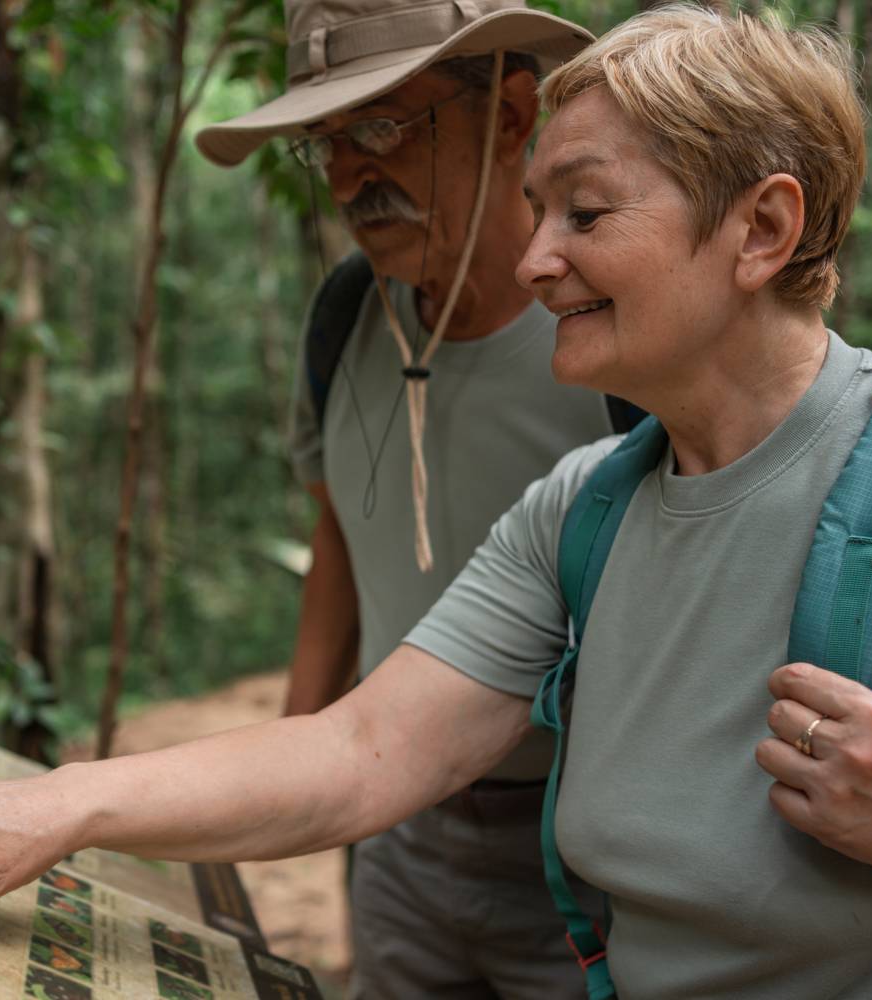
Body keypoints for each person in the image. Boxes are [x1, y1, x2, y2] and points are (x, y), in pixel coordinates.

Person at [0, 8, 872, 998]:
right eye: (539, 209)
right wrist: (52, 806)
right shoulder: (581, 512)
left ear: (762, 228)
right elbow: (362, 750)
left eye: (586, 212)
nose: (538, 256)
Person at [196, 1, 612, 994]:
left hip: (587, 856)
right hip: (397, 840)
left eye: (381, 124)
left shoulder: (611, 337)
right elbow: (341, 531)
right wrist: (284, 770)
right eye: (327, 142)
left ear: (512, 115)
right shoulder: (347, 318)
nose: (349, 174)